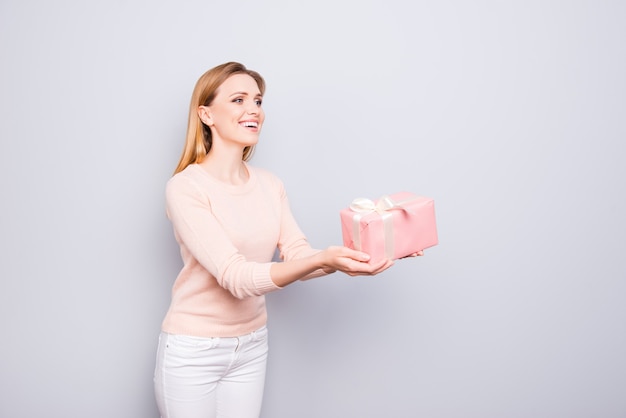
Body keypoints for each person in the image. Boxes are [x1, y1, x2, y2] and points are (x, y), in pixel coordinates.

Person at [153, 61, 394, 418]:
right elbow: (236, 278)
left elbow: (297, 252)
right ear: (206, 114)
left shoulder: (269, 184)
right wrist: (322, 259)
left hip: (252, 345)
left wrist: (352, 256)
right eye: (238, 100)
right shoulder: (186, 188)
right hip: (194, 352)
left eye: (258, 101)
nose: (253, 110)